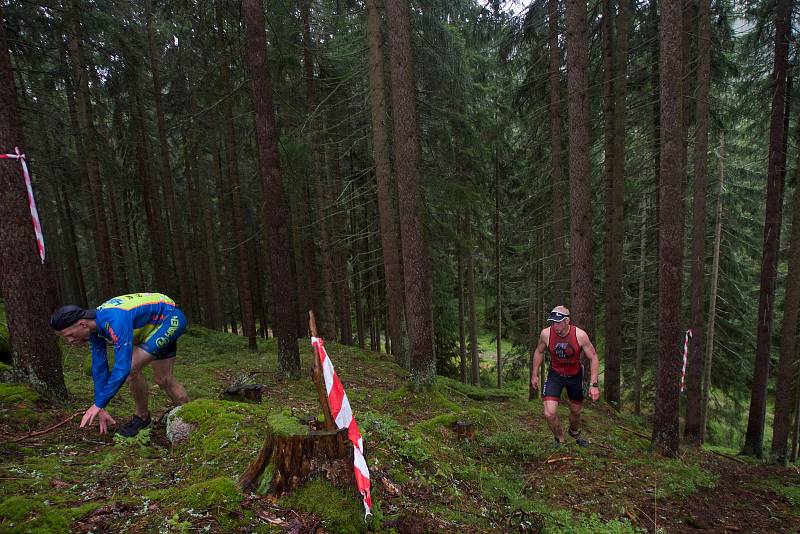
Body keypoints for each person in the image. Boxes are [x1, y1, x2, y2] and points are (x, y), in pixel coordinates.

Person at [50, 292, 189, 437]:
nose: (70, 341)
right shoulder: (94, 327)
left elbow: (122, 367)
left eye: (70, 335)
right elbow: (99, 367)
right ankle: (184, 414)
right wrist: (101, 406)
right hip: (149, 326)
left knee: (130, 369)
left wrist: (98, 404)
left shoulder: (114, 320)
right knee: (163, 380)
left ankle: (167, 418)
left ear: (82, 324)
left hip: (169, 318)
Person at [530, 305, 600, 447]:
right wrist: (534, 374)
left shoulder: (579, 335)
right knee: (549, 413)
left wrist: (594, 384)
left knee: (576, 411)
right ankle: (560, 439)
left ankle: (574, 432)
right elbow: (539, 351)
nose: (555, 325)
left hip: (575, 376)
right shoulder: (546, 334)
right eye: (553, 322)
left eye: (558, 322)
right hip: (555, 375)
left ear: (567, 321)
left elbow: (593, 357)